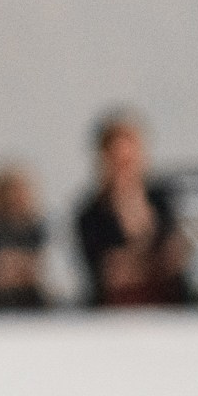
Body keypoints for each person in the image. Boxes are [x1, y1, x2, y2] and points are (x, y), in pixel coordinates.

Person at [76, 112, 186, 307]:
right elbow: (107, 273)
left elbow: (175, 257)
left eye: (129, 161)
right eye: (118, 162)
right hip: (116, 315)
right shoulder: (90, 214)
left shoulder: (162, 200)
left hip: (169, 310)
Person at [0, 165, 49, 310]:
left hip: (38, 308)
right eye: (11, 194)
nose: (16, 200)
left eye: (21, 193)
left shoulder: (42, 233)